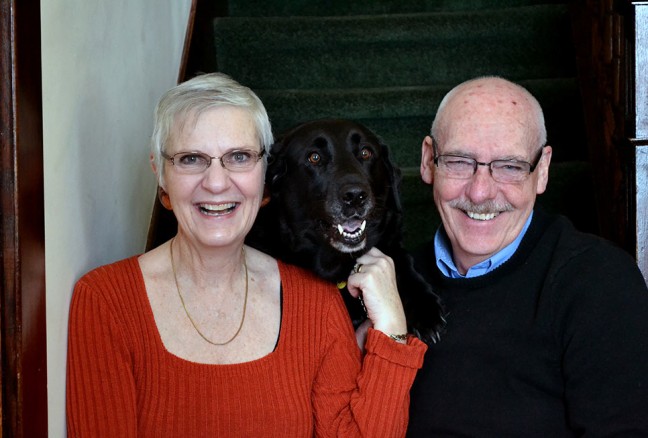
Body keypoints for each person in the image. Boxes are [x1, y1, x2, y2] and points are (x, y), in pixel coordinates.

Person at [66, 72, 427, 437]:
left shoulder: (317, 305)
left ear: (264, 176)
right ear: (160, 174)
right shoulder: (107, 301)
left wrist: (393, 330)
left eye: (238, 157)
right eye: (191, 158)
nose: (217, 182)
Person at [407, 76, 648, 436]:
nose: (480, 192)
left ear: (543, 171)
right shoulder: (397, 281)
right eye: (460, 161)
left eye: (510, 166)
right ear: (429, 161)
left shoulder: (598, 282)